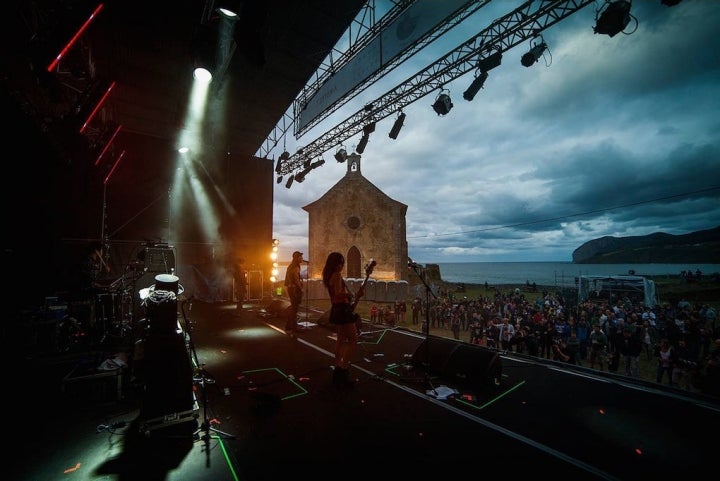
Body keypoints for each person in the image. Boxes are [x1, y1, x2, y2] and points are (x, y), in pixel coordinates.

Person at [322, 252, 364, 388]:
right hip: (342, 309)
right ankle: (343, 369)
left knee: (340, 340)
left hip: (336, 309)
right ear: (335, 264)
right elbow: (339, 293)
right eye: (340, 263)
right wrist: (350, 294)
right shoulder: (337, 275)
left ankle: (337, 367)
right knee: (353, 339)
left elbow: (334, 294)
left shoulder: (329, 275)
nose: (341, 266)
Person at [284, 251, 304, 338]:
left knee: (293, 306)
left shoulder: (291, 266)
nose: (302, 259)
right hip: (294, 289)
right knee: (295, 308)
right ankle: (294, 327)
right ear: (297, 258)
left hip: (290, 288)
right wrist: (300, 289)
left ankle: (289, 325)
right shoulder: (295, 267)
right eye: (300, 257)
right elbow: (296, 280)